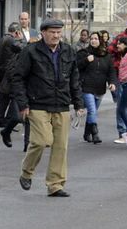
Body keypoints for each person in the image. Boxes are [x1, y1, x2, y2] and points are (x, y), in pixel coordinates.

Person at [10, 18, 83, 196]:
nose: (56, 35)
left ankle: (55, 185)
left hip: (62, 104)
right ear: (43, 33)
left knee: (60, 146)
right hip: (37, 104)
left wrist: (79, 103)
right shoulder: (31, 51)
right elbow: (17, 77)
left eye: (59, 32)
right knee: (41, 141)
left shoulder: (68, 51)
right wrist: (23, 103)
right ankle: (27, 172)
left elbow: (74, 79)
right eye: (52, 32)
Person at [77, 32, 114, 144]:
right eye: (92, 38)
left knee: (92, 113)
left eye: (96, 39)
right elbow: (76, 66)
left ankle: (86, 133)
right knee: (92, 110)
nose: (93, 40)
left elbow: (111, 71)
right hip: (87, 86)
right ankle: (95, 133)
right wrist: (86, 60)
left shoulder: (106, 55)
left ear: (100, 41)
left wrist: (112, 82)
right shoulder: (84, 53)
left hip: (100, 88)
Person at [0, 23, 27, 145]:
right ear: (17, 31)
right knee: (9, 96)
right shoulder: (10, 40)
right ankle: (6, 120)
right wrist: (21, 39)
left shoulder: (3, 39)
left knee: (4, 97)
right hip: (9, 71)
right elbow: (22, 48)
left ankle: (0, 119)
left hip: (4, 70)